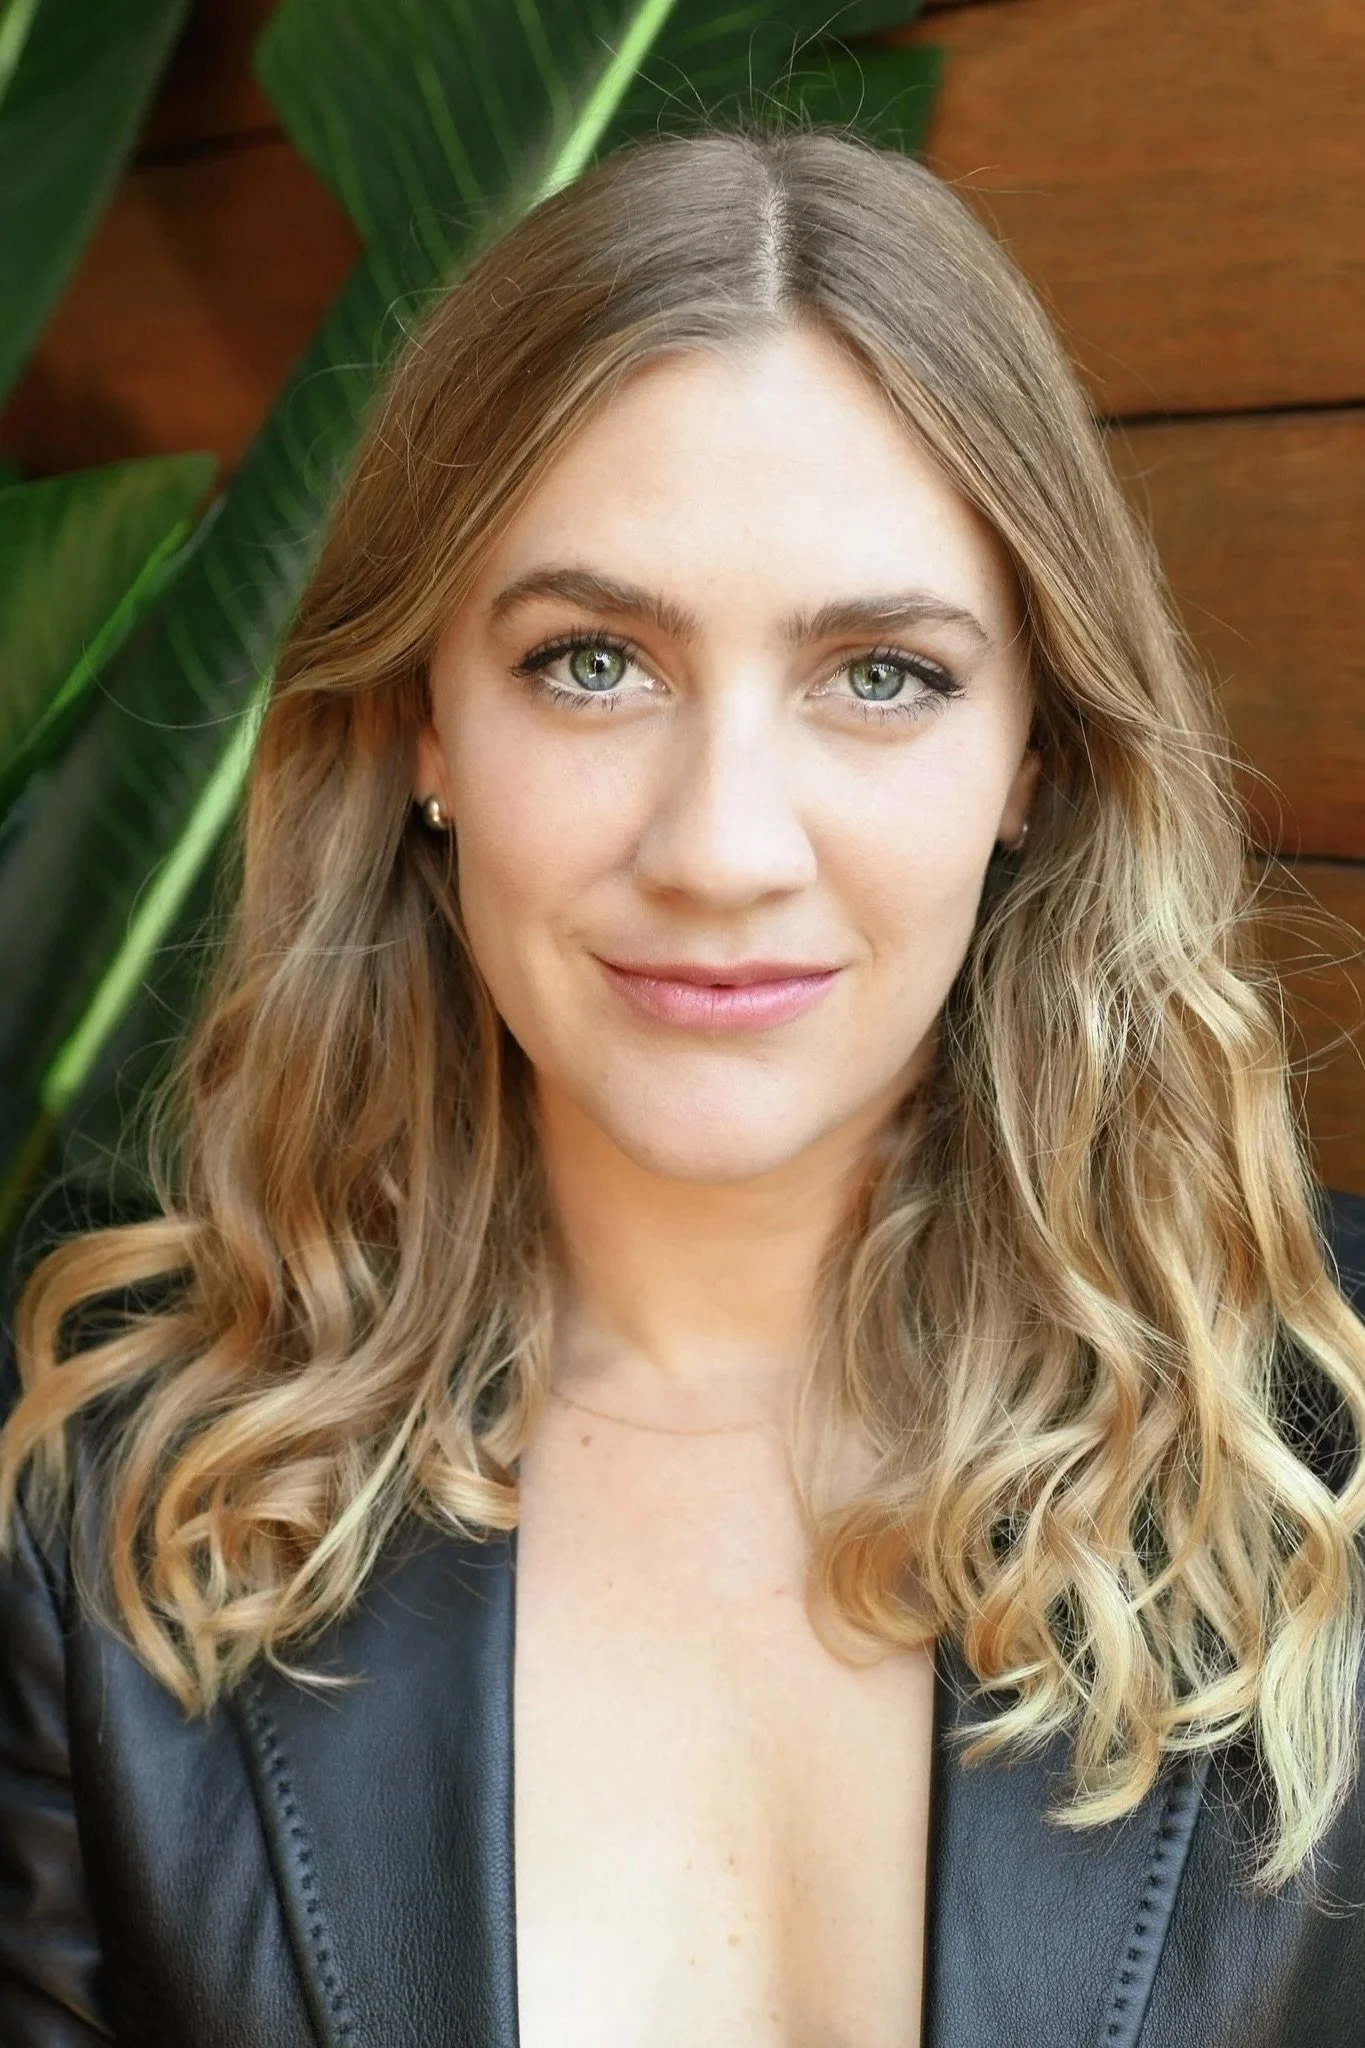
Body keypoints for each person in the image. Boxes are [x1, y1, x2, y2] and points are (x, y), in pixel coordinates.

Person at [2, 121, 1364, 2048]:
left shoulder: (1335, 1458)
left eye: (880, 674)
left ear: (1038, 761)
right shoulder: (102, 1500)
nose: (723, 845)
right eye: (590, 663)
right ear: (419, 730)